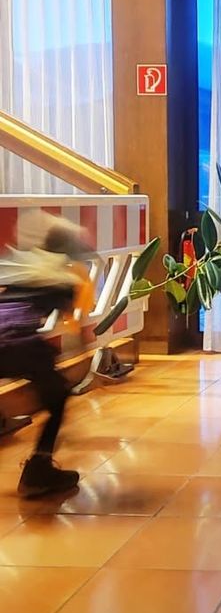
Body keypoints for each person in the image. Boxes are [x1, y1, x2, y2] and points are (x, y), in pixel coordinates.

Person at [0, 212, 94, 498]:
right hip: (19, 343)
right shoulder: (61, 275)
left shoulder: (17, 263)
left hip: (9, 337)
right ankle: (39, 470)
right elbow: (75, 331)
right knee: (58, 397)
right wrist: (81, 358)